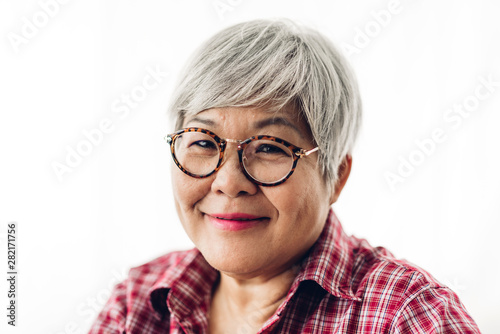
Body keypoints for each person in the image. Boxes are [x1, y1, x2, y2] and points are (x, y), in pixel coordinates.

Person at [89, 19, 480, 333]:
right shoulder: (137, 303)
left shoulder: (406, 316)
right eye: (204, 142)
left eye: (270, 148)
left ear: (337, 177)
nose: (228, 181)